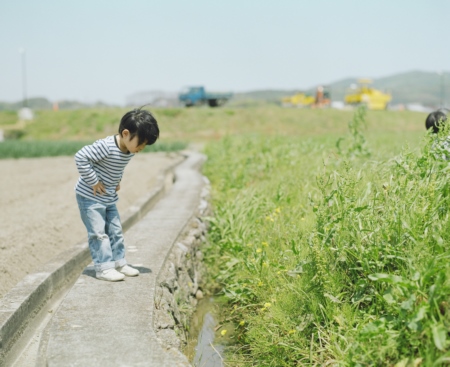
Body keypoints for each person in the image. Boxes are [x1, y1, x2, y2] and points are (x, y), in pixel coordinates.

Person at [74, 108, 159, 281]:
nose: (141, 149)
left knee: (115, 231)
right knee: (98, 233)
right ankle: (103, 268)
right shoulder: (106, 146)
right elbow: (81, 157)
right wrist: (94, 181)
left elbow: (116, 166)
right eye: (140, 144)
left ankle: (119, 263)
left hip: (108, 196)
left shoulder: (129, 149)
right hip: (90, 197)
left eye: (144, 146)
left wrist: (116, 180)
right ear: (126, 134)